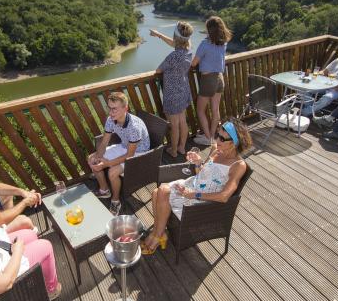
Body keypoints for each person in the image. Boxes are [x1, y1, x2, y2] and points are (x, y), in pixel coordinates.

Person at [141, 117, 252, 255]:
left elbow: (224, 197)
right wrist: (199, 163)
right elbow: (202, 173)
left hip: (202, 201)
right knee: (156, 192)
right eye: (217, 135)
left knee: (162, 191)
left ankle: (157, 235)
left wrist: (193, 194)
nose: (217, 141)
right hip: (193, 185)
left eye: (223, 139)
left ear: (234, 143)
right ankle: (159, 232)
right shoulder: (216, 150)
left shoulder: (238, 165)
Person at [88, 92, 150, 215]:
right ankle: (104, 190)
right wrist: (99, 158)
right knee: (91, 158)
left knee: (112, 172)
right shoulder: (111, 120)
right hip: (125, 146)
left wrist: (107, 163)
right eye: (109, 108)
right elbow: (104, 142)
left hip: (140, 153)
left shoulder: (134, 127)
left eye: (114, 109)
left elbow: (130, 156)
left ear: (125, 108)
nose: (111, 112)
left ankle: (115, 201)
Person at [149, 21, 194, 158]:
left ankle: (173, 151)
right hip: (184, 90)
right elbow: (176, 44)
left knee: (174, 125)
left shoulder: (173, 56)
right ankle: (181, 148)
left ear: (176, 37)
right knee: (182, 121)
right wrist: (158, 35)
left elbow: (159, 69)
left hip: (172, 94)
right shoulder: (188, 51)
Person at [191, 16, 232, 145]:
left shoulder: (205, 44)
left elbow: (194, 63)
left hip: (208, 79)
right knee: (215, 110)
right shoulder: (223, 42)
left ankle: (208, 138)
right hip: (219, 78)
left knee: (200, 110)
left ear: (210, 29)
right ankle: (213, 135)